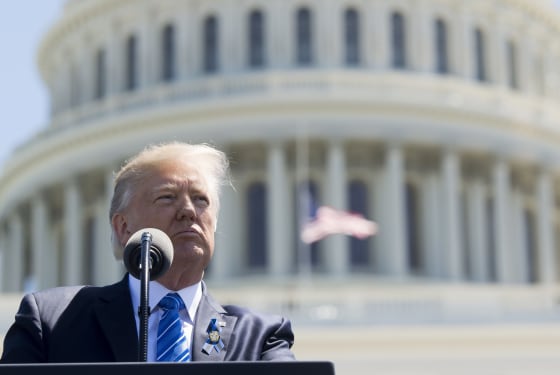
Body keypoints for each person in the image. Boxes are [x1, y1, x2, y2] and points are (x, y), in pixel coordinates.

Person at [0, 142, 295, 363]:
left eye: (201, 200)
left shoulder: (258, 339)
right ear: (123, 227)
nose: (189, 212)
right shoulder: (55, 322)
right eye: (167, 197)